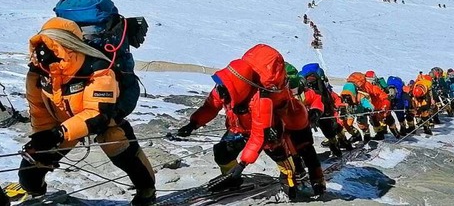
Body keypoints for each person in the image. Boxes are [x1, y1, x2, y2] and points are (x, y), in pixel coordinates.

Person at [19, 18, 155, 205]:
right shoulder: (39, 71)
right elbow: (39, 107)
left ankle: (147, 193)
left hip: (104, 121)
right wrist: (42, 135)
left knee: (125, 156)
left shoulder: (99, 69)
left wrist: (58, 133)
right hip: (64, 125)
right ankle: (38, 196)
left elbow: (98, 114)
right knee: (29, 173)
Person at [177, 45, 325, 199]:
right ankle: (231, 178)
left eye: (223, 87)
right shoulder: (224, 88)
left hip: (269, 133)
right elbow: (210, 106)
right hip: (238, 128)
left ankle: (297, 181)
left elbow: (259, 136)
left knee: (284, 158)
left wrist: (242, 164)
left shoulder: (261, 101)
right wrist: (193, 124)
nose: (219, 90)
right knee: (222, 153)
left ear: (236, 86)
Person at [298, 63, 343, 157]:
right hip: (323, 111)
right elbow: (331, 97)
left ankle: (303, 156)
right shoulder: (322, 86)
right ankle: (335, 148)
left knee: (303, 135)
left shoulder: (303, 87)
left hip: (307, 112)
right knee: (330, 131)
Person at [346, 72, 391, 140]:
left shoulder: (372, 87)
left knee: (374, 119)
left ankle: (379, 133)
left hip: (373, 106)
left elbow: (383, 96)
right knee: (361, 121)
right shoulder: (358, 88)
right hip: (361, 106)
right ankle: (366, 136)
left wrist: (383, 106)